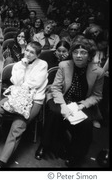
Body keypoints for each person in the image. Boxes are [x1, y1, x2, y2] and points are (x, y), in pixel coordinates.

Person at [35, 38, 104, 167]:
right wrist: (63, 106)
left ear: (89, 55)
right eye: (75, 52)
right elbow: (55, 88)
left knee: (87, 122)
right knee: (55, 113)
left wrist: (82, 105)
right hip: (61, 97)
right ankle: (44, 145)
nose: (78, 55)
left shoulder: (98, 72)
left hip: (81, 102)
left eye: (83, 52)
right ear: (71, 53)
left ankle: (76, 154)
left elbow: (97, 95)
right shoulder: (64, 65)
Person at [0, 41, 48, 168]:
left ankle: (2, 163)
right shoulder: (18, 64)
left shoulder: (43, 64)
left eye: (32, 52)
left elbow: (36, 83)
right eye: (27, 50)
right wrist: (23, 67)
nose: (28, 54)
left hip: (34, 100)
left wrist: (22, 84)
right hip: (16, 96)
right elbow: (16, 81)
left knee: (17, 127)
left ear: (38, 55)